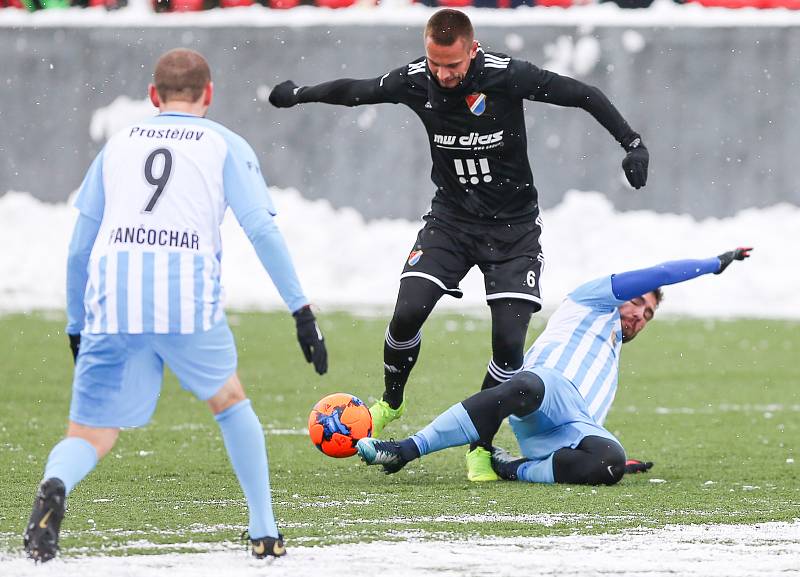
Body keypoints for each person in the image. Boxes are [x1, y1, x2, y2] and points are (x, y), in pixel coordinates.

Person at [268, 9, 650, 481]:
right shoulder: (415, 80)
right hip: (451, 223)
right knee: (407, 311)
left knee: (509, 347)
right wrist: (299, 94)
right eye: (435, 64)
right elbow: (357, 91)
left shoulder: (507, 76)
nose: (443, 75)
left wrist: (631, 142)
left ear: (473, 50)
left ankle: (481, 446)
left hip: (514, 232)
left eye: (452, 65)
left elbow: (583, 94)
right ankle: (390, 401)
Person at [22, 48, 328, 563]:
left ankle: (54, 484)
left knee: (91, 431)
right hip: (183, 294)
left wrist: (78, 325)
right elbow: (260, 228)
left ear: (152, 96)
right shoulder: (224, 143)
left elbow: (79, 247)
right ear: (209, 94)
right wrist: (301, 310)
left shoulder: (117, 145)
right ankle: (264, 530)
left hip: (113, 299)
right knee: (230, 403)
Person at [355, 248, 752, 485]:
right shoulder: (593, 300)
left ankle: (516, 469)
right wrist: (714, 263)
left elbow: (591, 432)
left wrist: (617, 459)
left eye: (648, 314)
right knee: (526, 385)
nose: (639, 315)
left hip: (565, 432)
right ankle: (405, 450)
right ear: (623, 296)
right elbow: (661, 274)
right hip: (542, 392)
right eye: (637, 303)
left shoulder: (610, 361)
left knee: (609, 464)